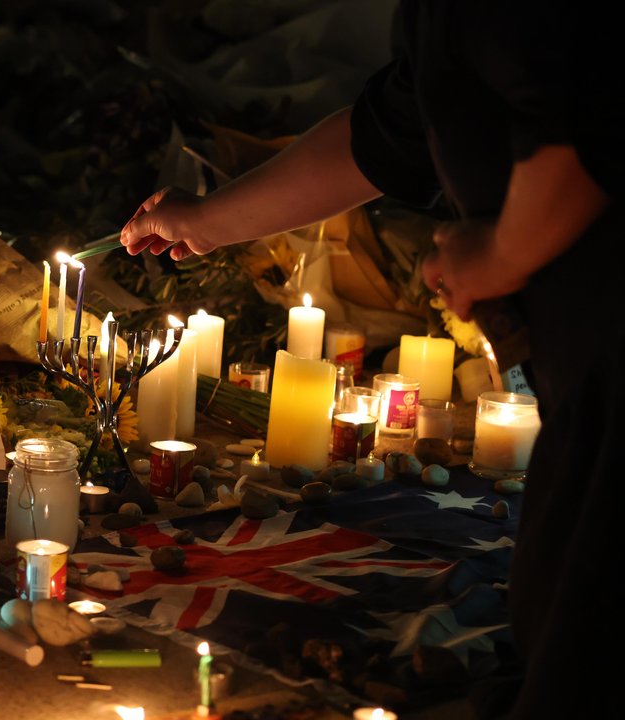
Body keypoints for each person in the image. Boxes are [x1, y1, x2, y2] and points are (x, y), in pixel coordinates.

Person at [119, 3, 621, 718]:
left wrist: (499, 252)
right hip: (578, 387)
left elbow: (585, 124)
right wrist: (205, 222)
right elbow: (390, 132)